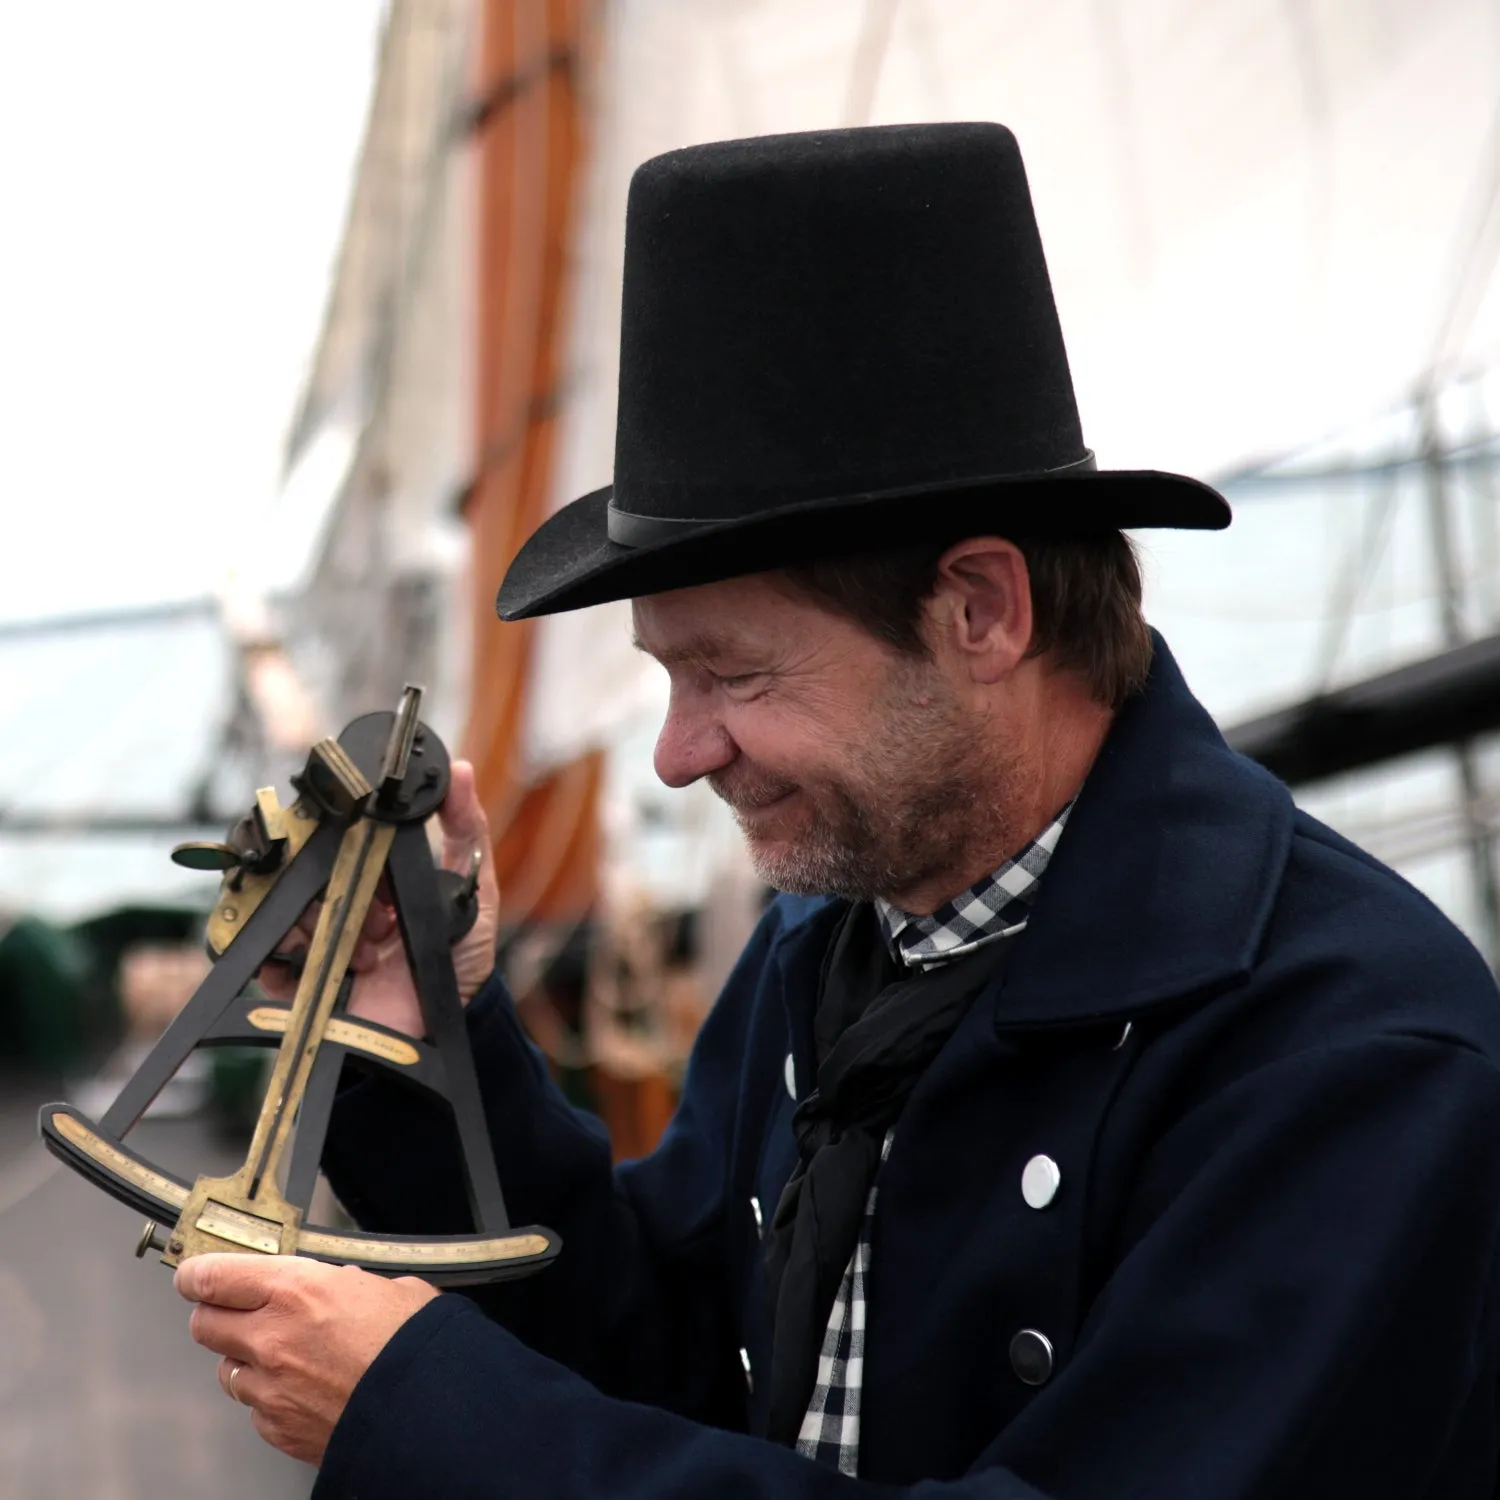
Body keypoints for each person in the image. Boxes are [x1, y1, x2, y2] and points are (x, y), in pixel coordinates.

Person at [175, 123, 1500, 1499]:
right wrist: (424, 1042)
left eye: (732, 675)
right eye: (667, 683)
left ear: (981, 611)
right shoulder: (832, 934)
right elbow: (670, 1352)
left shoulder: (1357, 1053)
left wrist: (431, 1412)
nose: (679, 755)